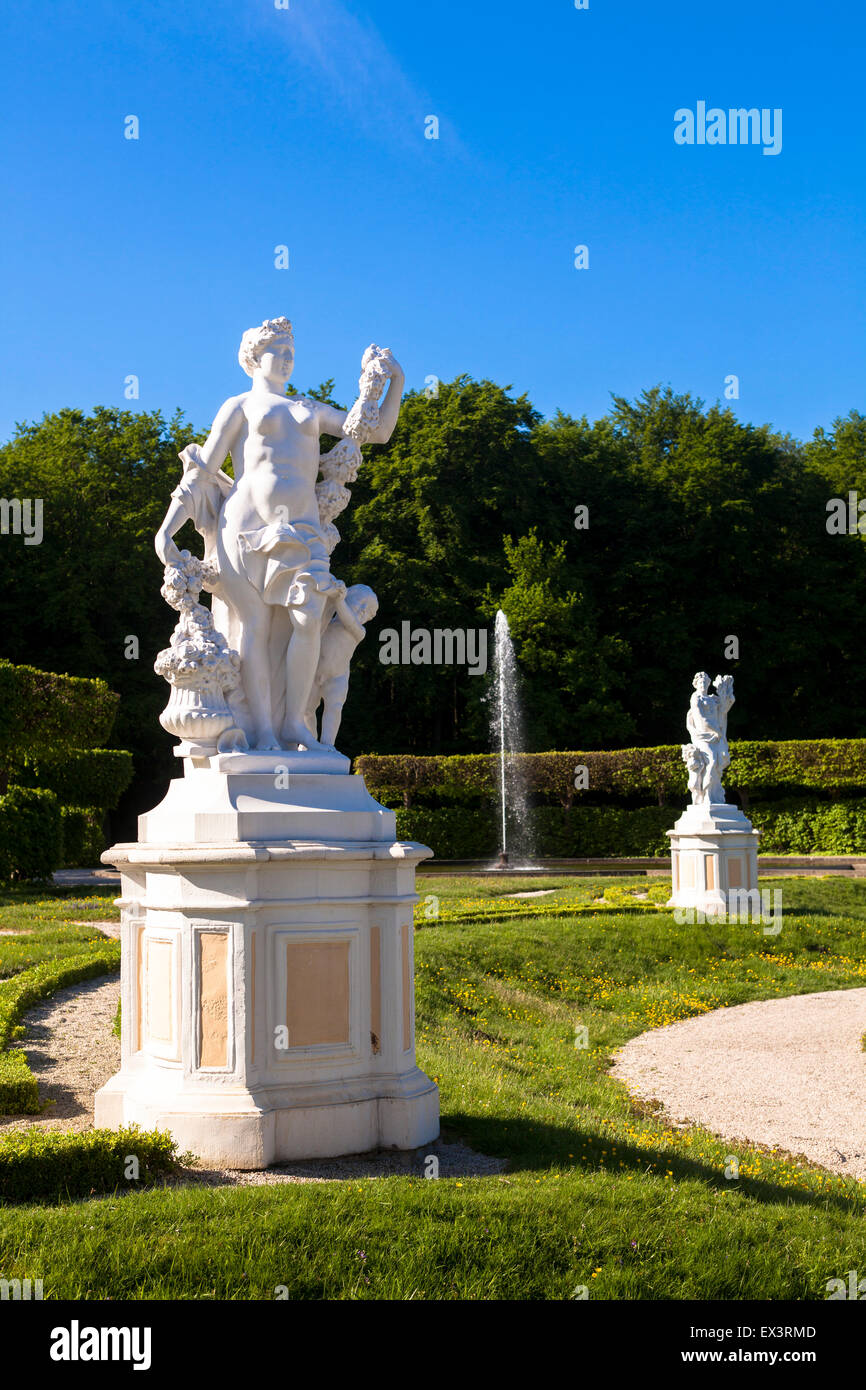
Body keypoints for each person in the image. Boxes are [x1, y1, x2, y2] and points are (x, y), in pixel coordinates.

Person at [155, 317, 403, 750]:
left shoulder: (309, 409)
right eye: (279, 352)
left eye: (292, 353)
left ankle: (292, 722)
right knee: (253, 624)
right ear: (254, 357)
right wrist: (166, 530)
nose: (288, 360)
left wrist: (395, 380)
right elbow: (202, 472)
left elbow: (375, 431)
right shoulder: (240, 406)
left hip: (304, 530)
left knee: (307, 621)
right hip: (245, 527)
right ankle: (263, 730)